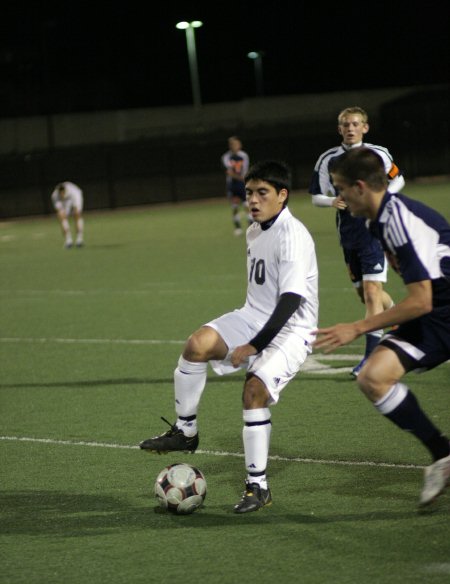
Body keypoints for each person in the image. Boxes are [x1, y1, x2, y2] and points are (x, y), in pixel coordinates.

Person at [139, 160, 319, 513]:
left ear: (282, 196)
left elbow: (291, 300)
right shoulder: (255, 229)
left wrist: (255, 345)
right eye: (249, 192)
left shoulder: (292, 235)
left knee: (254, 391)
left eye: (262, 193)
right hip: (252, 316)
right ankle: (185, 430)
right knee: (197, 345)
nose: (252, 199)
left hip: (292, 329)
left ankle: (258, 486)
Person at [313, 147, 450, 507]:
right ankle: (443, 455)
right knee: (373, 377)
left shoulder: (395, 220)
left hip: (438, 308)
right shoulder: (377, 219)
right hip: (438, 313)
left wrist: (358, 327)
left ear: (360, 187)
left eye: (340, 188)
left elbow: (420, 301)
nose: (338, 197)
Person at [309, 106, 405, 377]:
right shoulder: (328, 159)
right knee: (364, 294)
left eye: (355, 124)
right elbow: (316, 196)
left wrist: (381, 199)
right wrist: (332, 201)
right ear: (339, 129)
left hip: (374, 231)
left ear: (365, 127)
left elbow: (398, 180)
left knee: (373, 292)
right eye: (345, 125)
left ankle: (372, 358)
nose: (350, 128)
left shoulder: (379, 154)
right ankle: (398, 317)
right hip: (348, 235)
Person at [221, 136, 252, 236]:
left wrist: (244, 179)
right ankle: (238, 227)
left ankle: (251, 226)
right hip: (232, 185)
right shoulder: (226, 157)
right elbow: (229, 172)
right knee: (235, 206)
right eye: (232, 144)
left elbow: (245, 170)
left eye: (236, 144)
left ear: (239, 145)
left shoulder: (244, 156)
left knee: (247, 205)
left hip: (242, 184)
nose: (234, 146)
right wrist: (240, 178)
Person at [51, 181, 85, 248]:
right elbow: (60, 211)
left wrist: (75, 211)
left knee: (77, 214)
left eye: (63, 192)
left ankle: (79, 239)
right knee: (61, 216)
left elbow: (76, 210)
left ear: (65, 190)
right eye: (60, 192)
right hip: (64, 201)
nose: (61, 194)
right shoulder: (54, 196)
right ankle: (68, 240)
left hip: (74, 197)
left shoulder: (74, 192)